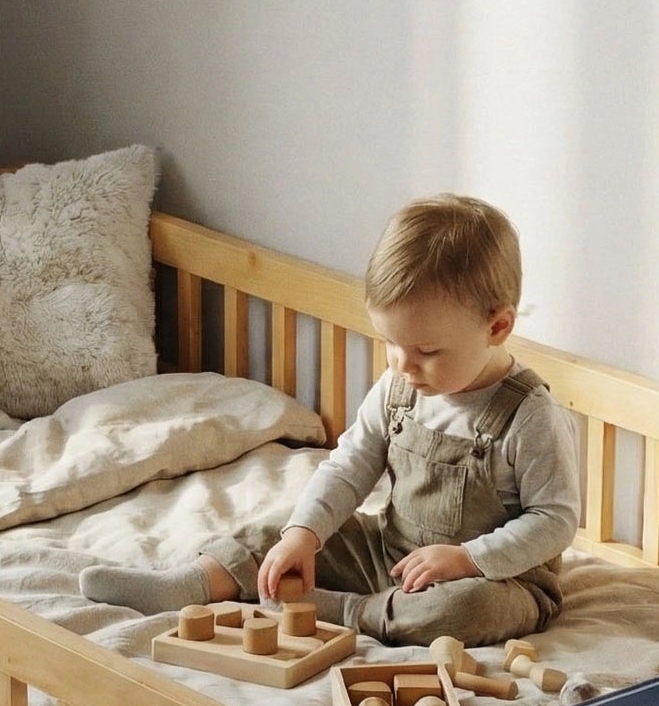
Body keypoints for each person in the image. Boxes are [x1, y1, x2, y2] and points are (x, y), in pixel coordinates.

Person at [81, 194, 581, 646]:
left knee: (466, 610)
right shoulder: (401, 387)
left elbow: (553, 520)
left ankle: (348, 611)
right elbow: (349, 466)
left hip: (496, 577)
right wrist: (306, 534)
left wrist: (467, 559)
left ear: (497, 326)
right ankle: (192, 583)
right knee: (276, 537)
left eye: (426, 350)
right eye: (391, 343)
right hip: (390, 548)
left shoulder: (529, 416)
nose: (403, 365)